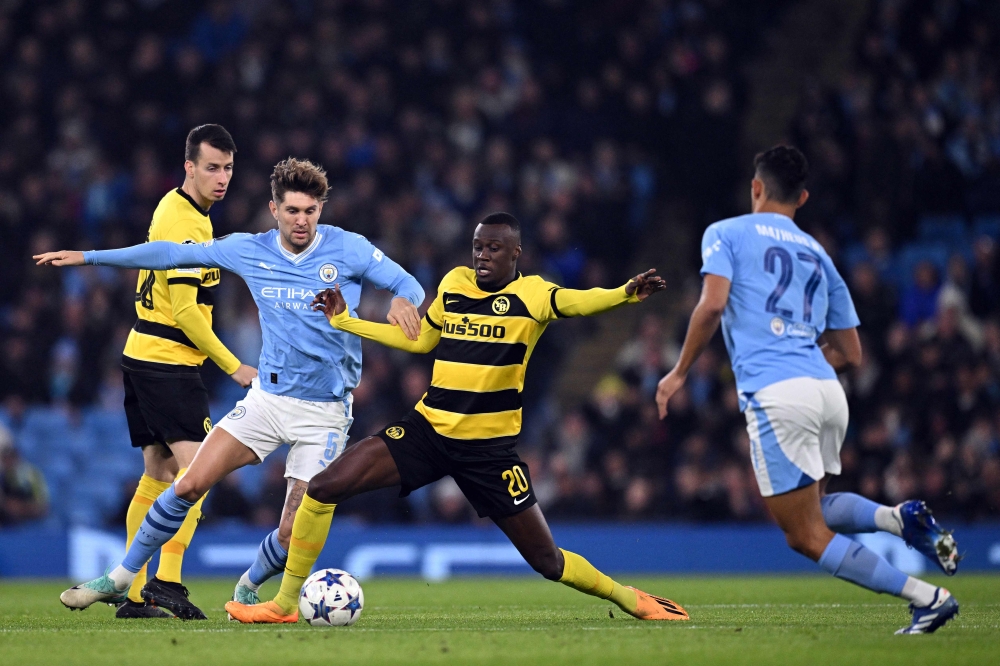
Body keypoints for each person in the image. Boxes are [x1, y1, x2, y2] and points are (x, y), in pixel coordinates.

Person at [224, 212, 690, 624]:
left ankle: (630, 599)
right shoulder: (454, 284)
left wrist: (625, 294)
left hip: (488, 452)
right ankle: (285, 602)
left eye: (493, 248)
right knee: (323, 487)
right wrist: (346, 323)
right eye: (477, 247)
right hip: (428, 430)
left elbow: (580, 301)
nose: (482, 255)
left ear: (515, 253)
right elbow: (421, 341)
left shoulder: (534, 295)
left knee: (548, 562)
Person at [35, 158, 425, 615]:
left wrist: (403, 299)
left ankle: (247, 585)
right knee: (187, 484)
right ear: (274, 209)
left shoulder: (349, 248)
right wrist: (90, 257)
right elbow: (168, 253)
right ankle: (118, 579)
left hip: (324, 413)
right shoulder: (248, 249)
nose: (302, 221)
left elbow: (408, 283)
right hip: (267, 401)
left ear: (321, 210)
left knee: (290, 530)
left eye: (311, 211)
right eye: (293, 211)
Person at [654, 146, 960, 635]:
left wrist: (679, 372)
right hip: (825, 389)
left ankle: (928, 597)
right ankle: (899, 519)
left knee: (805, 535)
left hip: (778, 395)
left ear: (756, 187)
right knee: (816, 508)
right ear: (803, 197)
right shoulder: (820, 254)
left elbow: (712, 305)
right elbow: (852, 353)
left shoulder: (726, 233)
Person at [105, 124, 257, 618]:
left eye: (228, 168)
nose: (221, 178)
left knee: (158, 474)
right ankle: (166, 581)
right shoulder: (188, 223)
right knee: (199, 473)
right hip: (167, 364)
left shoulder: (178, 208)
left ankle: (131, 595)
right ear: (188, 166)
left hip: (145, 355)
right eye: (211, 167)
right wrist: (235, 366)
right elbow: (189, 311)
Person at [0, 425, 49, 525]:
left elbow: (44, 507)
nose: (9, 461)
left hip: (26, 523)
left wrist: (21, 508)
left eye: (11, 457)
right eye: (5, 457)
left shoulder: (31, 475)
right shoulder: (2, 476)